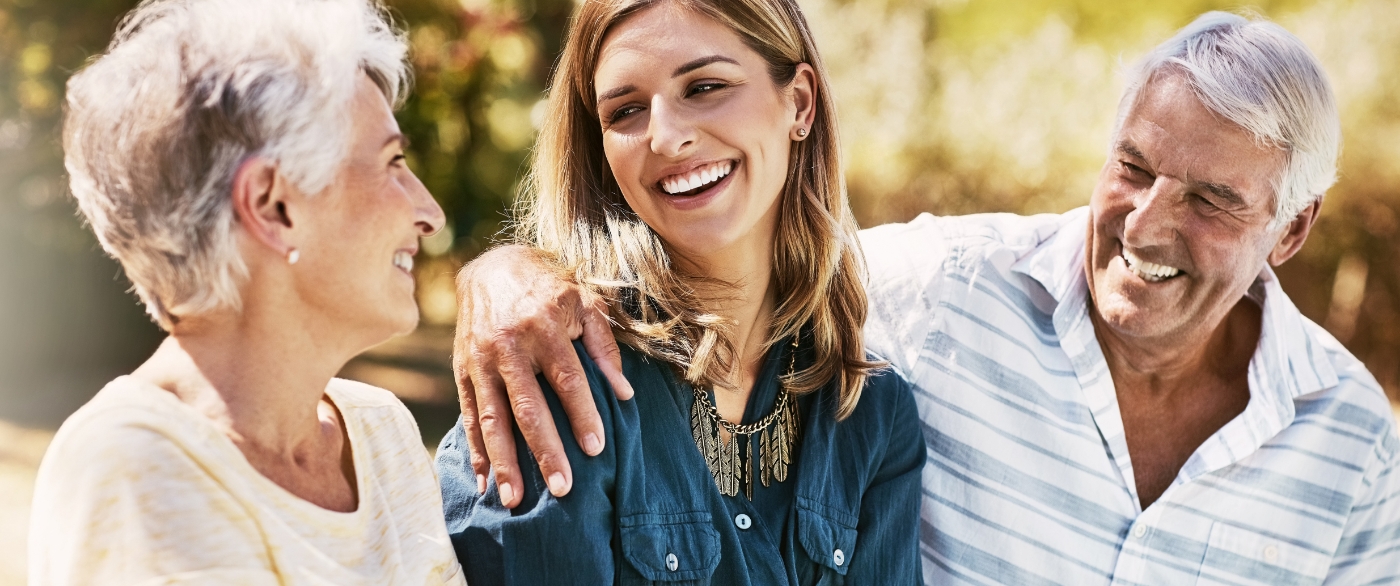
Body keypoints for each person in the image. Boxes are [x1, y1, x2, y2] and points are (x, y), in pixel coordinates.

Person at [450, 10, 1400, 585]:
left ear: (1291, 231)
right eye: (1133, 167)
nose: (1148, 226)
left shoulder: (1354, 441)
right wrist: (506, 275)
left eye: (1211, 199)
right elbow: (745, 260)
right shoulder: (948, 288)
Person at [433, 0, 925, 584]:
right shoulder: (561, 370)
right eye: (626, 110)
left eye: (706, 86)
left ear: (799, 102)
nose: (665, 138)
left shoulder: (869, 411)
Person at [28, 0, 466, 584]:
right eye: (392, 163)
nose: (429, 213)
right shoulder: (135, 463)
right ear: (272, 205)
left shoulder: (382, 431)